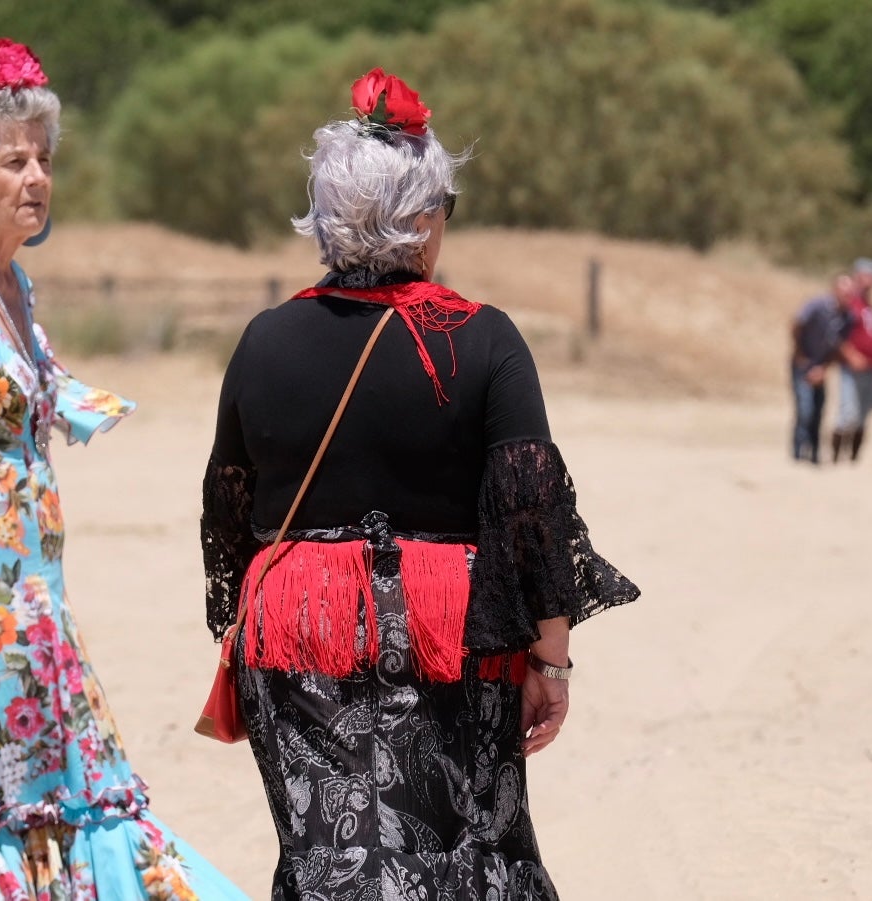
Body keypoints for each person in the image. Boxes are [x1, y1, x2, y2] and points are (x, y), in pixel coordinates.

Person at [201, 68, 641, 900]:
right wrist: (552, 659)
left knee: (327, 859)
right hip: (446, 627)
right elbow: (528, 513)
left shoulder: (264, 339)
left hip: (297, 623)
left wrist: (255, 610)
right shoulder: (484, 340)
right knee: (464, 853)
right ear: (425, 216)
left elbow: (229, 508)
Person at [0, 39, 245, 899]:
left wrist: (76, 399)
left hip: (20, 576)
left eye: (44, 159)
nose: (35, 177)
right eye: (11, 161)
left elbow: (11, 394)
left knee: (49, 756)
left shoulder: (11, 284)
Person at [831, 258, 872, 463]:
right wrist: (851, 355)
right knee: (848, 413)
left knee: (864, 415)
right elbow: (836, 335)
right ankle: (836, 458)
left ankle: (854, 459)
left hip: (871, 368)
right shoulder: (850, 304)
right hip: (852, 368)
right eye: (870, 276)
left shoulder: (869, 306)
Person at [790, 274, 853, 464]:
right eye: (844, 292)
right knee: (804, 408)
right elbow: (796, 324)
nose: (847, 296)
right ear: (835, 290)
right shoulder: (817, 305)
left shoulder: (848, 317)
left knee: (819, 410)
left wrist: (823, 368)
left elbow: (838, 347)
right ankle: (799, 451)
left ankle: (815, 451)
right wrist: (800, 353)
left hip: (821, 366)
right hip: (802, 364)